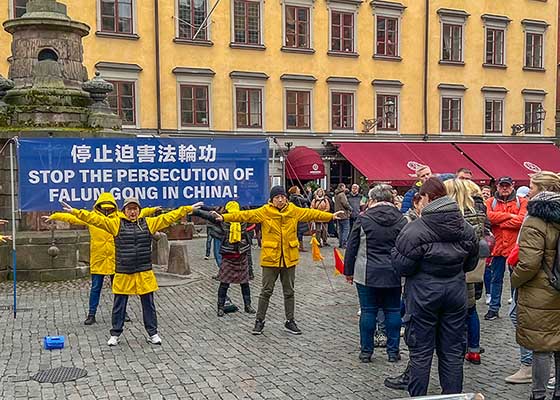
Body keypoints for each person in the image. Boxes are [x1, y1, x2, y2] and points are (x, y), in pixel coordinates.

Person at [55, 197, 201, 346]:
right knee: (119, 304)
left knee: (148, 304)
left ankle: (153, 333)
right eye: (129, 209)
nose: (132, 212)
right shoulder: (116, 224)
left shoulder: (149, 223)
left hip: (143, 271)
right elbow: (94, 219)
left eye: (135, 209)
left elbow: (169, 217)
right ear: (124, 211)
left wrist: (187, 209)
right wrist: (75, 211)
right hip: (124, 270)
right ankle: (115, 333)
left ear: (139, 210)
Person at [213, 186, 345, 335]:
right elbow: (244, 215)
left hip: (289, 258)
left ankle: (290, 321)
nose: (281, 199)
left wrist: (331, 216)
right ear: (272, 199)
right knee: (266, 291)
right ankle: (259, 321)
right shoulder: (265, 211)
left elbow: (310, 213)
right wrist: (224, 217)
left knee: (289, 292)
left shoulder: (293, 210)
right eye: (277, 197)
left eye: (282, 196)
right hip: (271, 259)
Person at [392, 177, 479, 397]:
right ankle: (452, 396)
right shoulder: (466, 228)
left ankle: (419, 396)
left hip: (423, 294)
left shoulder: (415, 229)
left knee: (421, 353)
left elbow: (402, 267)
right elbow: (470, 263)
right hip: (455, 292)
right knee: (452, 353)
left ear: (428, 198)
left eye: (419, 198)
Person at [47, 192, 159, 325]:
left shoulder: (119, 217)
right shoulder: (93, 217)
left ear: (113, 207)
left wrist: (153, 210)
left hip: (115, 258)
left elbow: (139, 212)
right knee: (96, 288)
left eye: (109, 208)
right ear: (98, 206)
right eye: (104, 207)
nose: (106, 210)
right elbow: (72, 218)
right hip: (98, 258)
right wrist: (54, 216)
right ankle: (91, 314)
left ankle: (123, 314)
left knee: (120, 289)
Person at [506, 171, 560, 385]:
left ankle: (537, 391)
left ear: (542, 189)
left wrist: (515, 280)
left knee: (541, 344)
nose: (529, 190)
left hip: (540, 288)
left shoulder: (536, 218)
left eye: (532, 186)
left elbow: (529, 262)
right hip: (556, 282)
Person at [344, 184, 407, 363]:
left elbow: (352, 246)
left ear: (373, 199)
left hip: (366, 272)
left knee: (368, 311)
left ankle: (366, 352)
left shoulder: (363, 219)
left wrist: (348, 271)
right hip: (394, 272)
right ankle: (393, 352)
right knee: (393, 311)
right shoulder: (402, 220)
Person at [445, 179, 489, 366]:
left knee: (456, 312)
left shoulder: (455, 214)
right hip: (472, 268)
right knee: (471, 310)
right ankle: (474, 349)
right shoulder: (477, 212)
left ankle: (457, 348)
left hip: (456, 269)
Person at [193, 201, 256, 317]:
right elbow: (206, 215)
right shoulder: (220, 218)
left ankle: (248, 306)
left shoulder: (243, 217)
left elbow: (257, 212)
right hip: (228, 255)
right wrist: (193, 210)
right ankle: (220, 307)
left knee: (245, 284)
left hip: (241, 254)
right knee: (224, 284)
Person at [485, 177, 528, 321]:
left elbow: (522, 220)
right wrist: (510, 216)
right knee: (496, 279)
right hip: (497, 247)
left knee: (515, 279)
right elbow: (488, 217)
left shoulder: (522, 202)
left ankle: (516, 307)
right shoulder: (490, 202)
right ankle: (493, 308)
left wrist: (500, 222)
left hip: (514, 247)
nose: (504, 188)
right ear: (497, 187)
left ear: (512, 186)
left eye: (507, 186)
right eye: (502, 186)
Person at [288, 186, 310, 252]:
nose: (299, 189)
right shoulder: (296, 198)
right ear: (295, 191)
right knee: (299, 232)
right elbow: (307, 200)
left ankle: (298, 246)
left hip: (295, 217)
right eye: (298, 189)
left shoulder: (294, 197)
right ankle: (300, 246)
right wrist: (310, 192)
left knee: (297, 232)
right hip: (299, 217)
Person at [334, 183, 352, 249]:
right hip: (344, 214)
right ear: (341, 187)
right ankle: (344, 243)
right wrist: (350, 208)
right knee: (345, 229)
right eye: (344, 186)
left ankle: (340, 243)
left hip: (338, 214)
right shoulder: (342, 194)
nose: (345, 188)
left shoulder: (336, 194)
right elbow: (345, 203)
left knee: (340, 230)